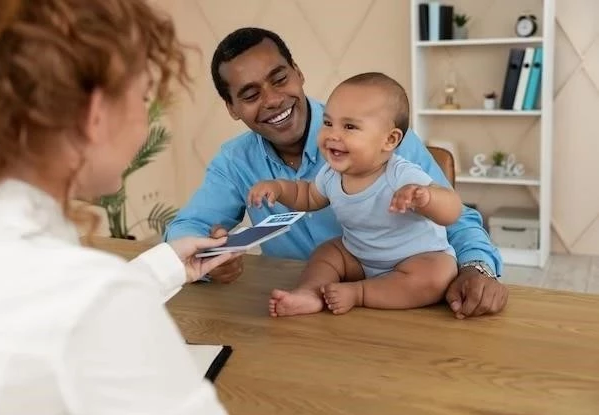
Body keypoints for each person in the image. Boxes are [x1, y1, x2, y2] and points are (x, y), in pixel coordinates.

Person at [0, 0, 236, 415]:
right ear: (94, 115)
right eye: (144, 98)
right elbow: (78, 316)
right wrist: (117, 297)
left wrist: (162, 267)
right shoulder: (90, 302)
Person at [165, 27, 509, 319]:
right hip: (307, 313)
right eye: (251, 94)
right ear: (232, 108)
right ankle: (312, 293)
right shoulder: (235, 162)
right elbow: (184, 230)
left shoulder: (379, 132)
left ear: (298, 73)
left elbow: (457, 218)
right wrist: (211, 260)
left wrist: (476, 268)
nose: (271, 100)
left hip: (401, 301)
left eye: (280, 79)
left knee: (436, 272)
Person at [248, 72, 462, 316]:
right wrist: (278, 188)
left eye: (349, 126)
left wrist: (426, 197)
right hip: (358, 256)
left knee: (438, 274)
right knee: (328, 253)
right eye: (328, 123)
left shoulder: (400, 174)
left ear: (389, 140)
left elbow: (453, 210)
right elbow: (306, 196)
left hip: (412, 260)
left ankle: (359, 293)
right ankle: (310, 292)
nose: (333, 134)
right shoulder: (330, 174)